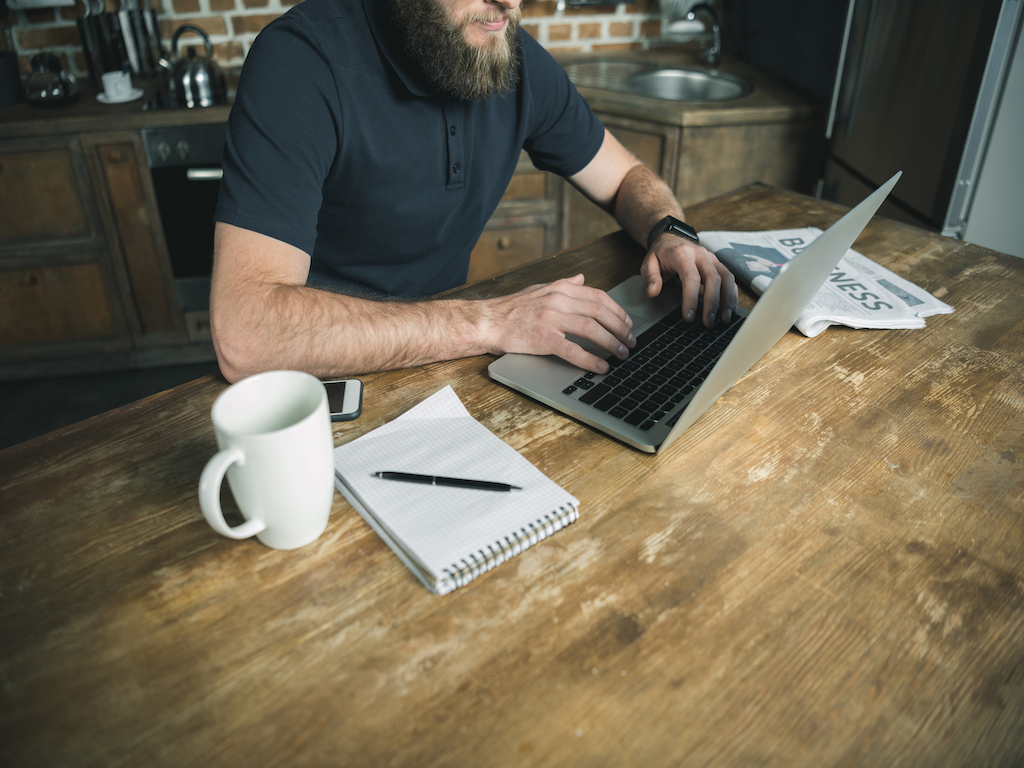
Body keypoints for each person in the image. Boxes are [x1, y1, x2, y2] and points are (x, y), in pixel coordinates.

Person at [210, 0, 738, 384]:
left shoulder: (510, 55)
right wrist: (490, 321)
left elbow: (625, 177)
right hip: (313, 375)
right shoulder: (302, 61)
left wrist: (670, 231)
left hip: (445, 364)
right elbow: (246, 333)